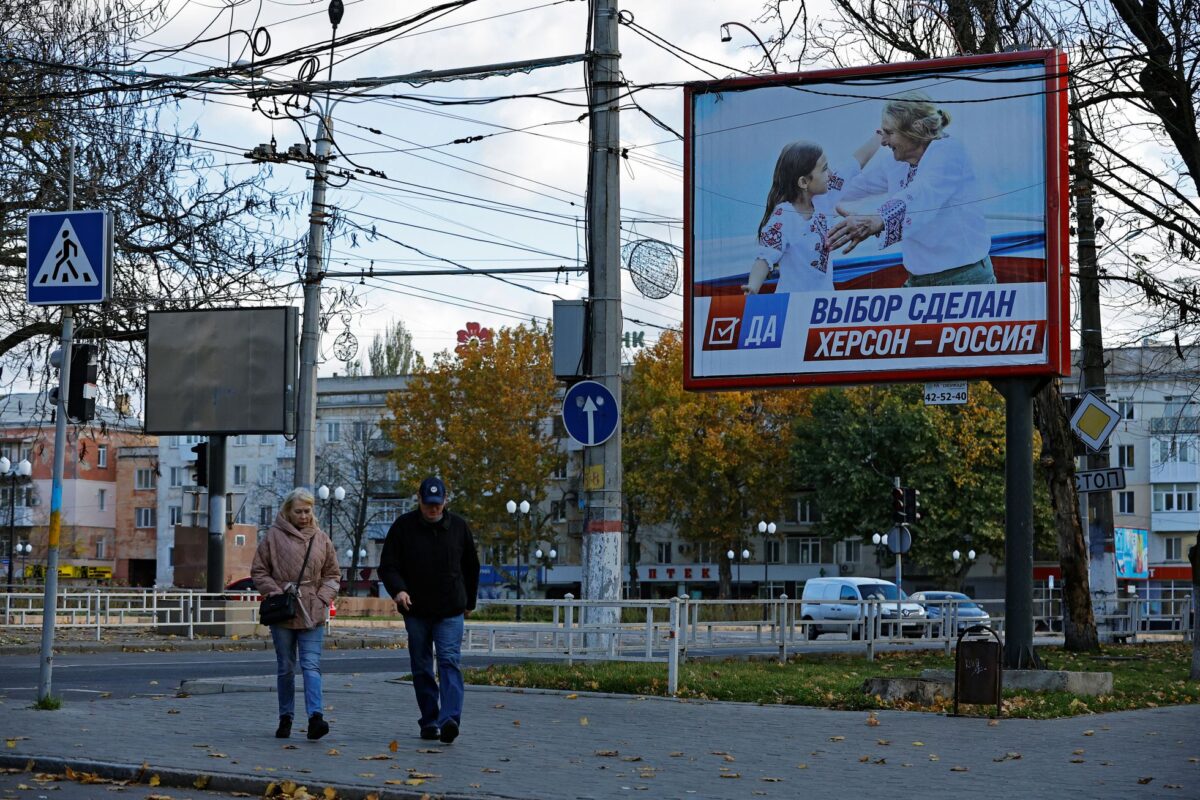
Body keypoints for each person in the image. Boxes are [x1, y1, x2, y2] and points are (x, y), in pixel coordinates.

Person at [826, 91, 996, 287]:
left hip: (964, 278)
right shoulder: (894, 162)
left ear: (914, 129)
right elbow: (855, 186)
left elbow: (920, 195)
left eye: (889, 133)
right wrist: (817, 185)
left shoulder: (949, 152)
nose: (883, 142)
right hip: (917, 280)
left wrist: (877, 220)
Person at [379, 476, 481, 745]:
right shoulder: (403, 527)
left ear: (445, 501)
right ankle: (430, 719)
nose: (433, 509)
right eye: (428, 505)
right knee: (422, 667)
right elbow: (388, 566)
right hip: (416, 611)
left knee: (449, 661)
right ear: (419, 500)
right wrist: (399, 590)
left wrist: (469, 603)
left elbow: (471, 567)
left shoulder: (459, 527)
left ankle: (449, 720)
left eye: (437, 504)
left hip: (450, 610)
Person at [251, 487, 341, 740]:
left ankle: (316, 718)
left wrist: (322, 598)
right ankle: (286, 718)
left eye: (308, 511)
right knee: (286, 667)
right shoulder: (273, 537)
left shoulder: (321, 538)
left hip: (312, 609)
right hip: (284, 610)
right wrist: (276, 592)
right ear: (288, 512)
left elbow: (333, 574)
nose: (304, 515)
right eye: (299, 511)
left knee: (311, 665)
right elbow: (259, 570)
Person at [743, 134, 881, 294]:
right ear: (803, 182)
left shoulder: (825, 199)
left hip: (823, 303)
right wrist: (753, 287)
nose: (830, 173)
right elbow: (765, 257)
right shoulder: (783, 216)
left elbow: (855, 163)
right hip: (793, 306)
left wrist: (879, 136)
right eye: (824, 169)